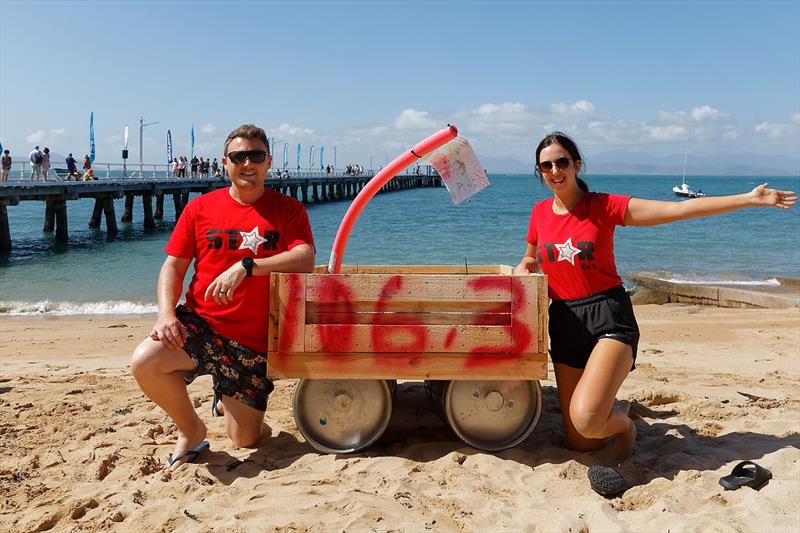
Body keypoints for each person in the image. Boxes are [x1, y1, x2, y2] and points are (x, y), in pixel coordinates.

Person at [514, 131, 796, 461]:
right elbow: (531, 256)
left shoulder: (604, 206)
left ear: (576, 165)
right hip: (564, 321)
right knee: (582, 442)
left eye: (561, 162)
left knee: (589, 419)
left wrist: (747, 198)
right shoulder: (539, 213)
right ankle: (616, 406)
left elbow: (677, 210)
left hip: (608, 319)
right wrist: (524, 266)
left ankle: (627, 428)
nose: (554, 170)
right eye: (545, 165)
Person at [130, 124, 316, 471]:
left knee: (245, 439)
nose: (248, 163)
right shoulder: (200, 209)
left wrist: (247, 266)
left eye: (256, 156)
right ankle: (191, 430)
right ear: (224, 163)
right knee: (145, 361)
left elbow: (305, 258)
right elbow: (173, 266)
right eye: (239, 156)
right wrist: (166, 315)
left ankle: (223, 396)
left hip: (251, 342)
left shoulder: (288, 209)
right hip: (201, 324)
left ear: (268, 162)